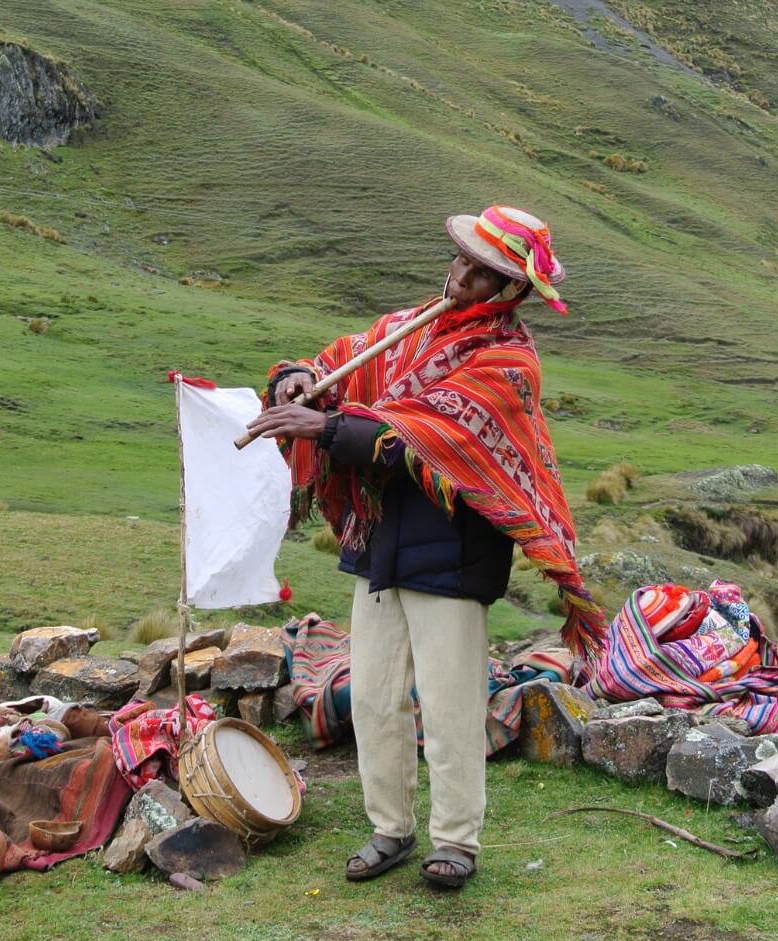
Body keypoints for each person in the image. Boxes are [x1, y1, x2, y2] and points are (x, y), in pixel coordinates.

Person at [244, 206, 603, 889]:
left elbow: (425, 437)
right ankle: (390, 830)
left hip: (455, 554)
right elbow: (335, 365)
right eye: (460, 261)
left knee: (450, 705)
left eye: (482, 272)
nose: (461, 276)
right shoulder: (403, 332)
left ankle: (457, 841)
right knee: (376, 698)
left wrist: (325, 428)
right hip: (381, 543)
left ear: (509, 289)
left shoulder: (508, 360)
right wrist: (297, 379)